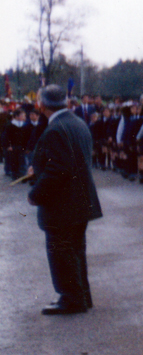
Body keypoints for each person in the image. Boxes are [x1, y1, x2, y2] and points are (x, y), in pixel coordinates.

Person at [26, 84, 103, 315]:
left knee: (62, 252)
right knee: (75, 250)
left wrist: (35, 193)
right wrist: (40, 168)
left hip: (62, 205)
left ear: (41, 105)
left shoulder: (55, 129)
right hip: (80, 201)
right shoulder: (77, 123)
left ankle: (71, 299)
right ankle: (81, 296)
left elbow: (58, 169)